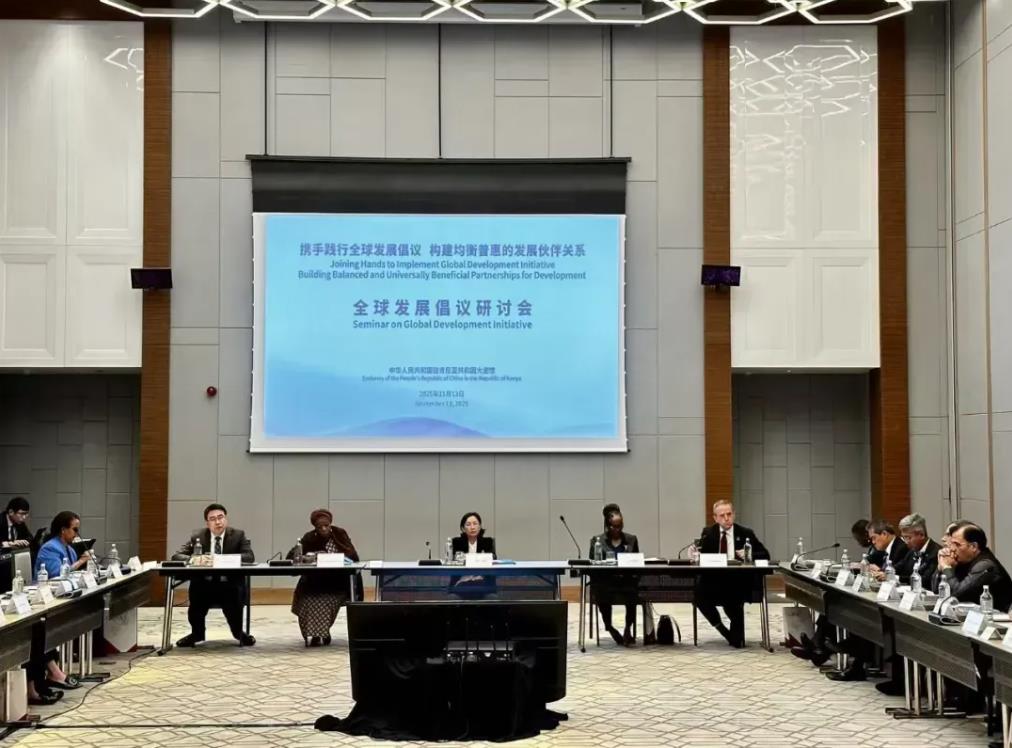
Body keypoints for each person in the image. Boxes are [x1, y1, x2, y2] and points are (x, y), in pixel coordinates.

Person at [171, 503, 255, 647]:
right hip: (204, 585)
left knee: (233, 603)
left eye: (220, 517)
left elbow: (249, 557)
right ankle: (197, 634)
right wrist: (195, 559)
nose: (218, 522)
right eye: (213, 519)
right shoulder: (198, 536)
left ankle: (238, 633)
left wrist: (220, 559)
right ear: (207, 523)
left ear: (226, 519)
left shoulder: (238, 535)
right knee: (196, 600)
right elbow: (177, 556)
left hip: (229, 585)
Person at [695, 500, 770, 648]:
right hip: (714, 580)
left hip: (737, 581)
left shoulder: (746, 533)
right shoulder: (708, 533)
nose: (726, 518)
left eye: (729, 514)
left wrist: (749, 554)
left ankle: (736, 636)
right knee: (698, 594)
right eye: (722, 515)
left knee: (737, 642)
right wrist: (695, 555)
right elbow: (702, 556)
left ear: (734, 515)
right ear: (715, 518)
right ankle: (722, 629)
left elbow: (765, 554)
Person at [289, 508, 359, 647]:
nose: (324, 529)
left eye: (326, 526)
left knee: (325, 602)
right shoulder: (309, 537)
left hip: (337, 583)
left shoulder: (340, 534)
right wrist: (310, 557)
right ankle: (314, 635)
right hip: (314, 583)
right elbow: (291, 557)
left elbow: (354, 556)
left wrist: (335, 558)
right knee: (308, 601)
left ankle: (323, 632)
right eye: (320, 527)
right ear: (315, 527)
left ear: (330, 524)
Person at [588, 506, 655, 646]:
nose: (617, 529)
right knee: (602, 593)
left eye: (620, 526)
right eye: (614, 527)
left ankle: (628, 628)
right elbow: (592, 564)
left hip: (626, 580)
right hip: (606, 582)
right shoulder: (597, 540)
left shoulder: (631, 539)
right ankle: (610, 627)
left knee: (632, 592)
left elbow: (637, 563)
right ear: (608, 526)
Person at [932, 524, 1012, 609]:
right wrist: (940, 566)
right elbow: (936, 591)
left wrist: (947, 568)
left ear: (973, 546)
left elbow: (957, 595)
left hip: (995, 615)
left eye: (957, 545)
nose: (952, 549)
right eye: (951, 544)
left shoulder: (985, 565)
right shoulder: (962, 560)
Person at [35, 511, 92, 579]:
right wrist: (81, 561)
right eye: (75, 529)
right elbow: (56, 574)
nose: (77, 533)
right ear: (63, 530)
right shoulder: (49, 548)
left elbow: (72, 574)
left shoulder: (71, 550)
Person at [895, 513, 941, 588]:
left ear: (921, 535)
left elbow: (925, 580)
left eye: (908, 537)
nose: (906, 542)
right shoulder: (912, 551)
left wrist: (898, 578)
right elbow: (899, 567)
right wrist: (885, 572)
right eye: (904, 538)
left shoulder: (936, 552)